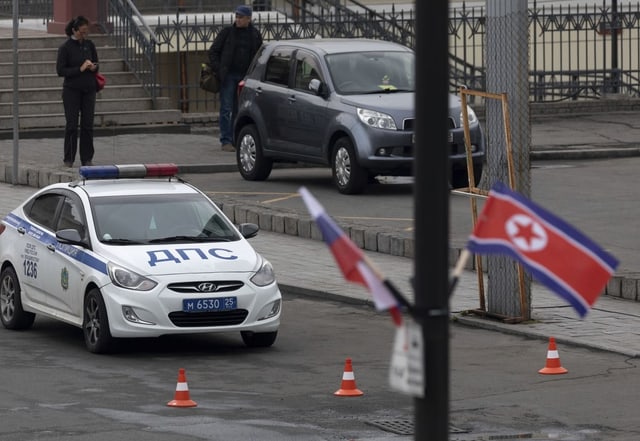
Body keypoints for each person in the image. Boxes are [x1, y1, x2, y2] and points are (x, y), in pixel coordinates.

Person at [208, 5, 263, 152]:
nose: (238, 20)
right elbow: (213, 51)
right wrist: (220, 70)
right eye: (236, 17)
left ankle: (235, 139)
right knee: (226, 108)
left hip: (245, 77)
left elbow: (259, 56)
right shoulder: (227, 33)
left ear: (248, 19)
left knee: (240, 109)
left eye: (241, 17)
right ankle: (226, 141)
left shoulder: (255, 35)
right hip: (229, 76)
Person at [56, 16, 99, 167]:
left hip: (89, 89)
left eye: (86, 32)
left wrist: (93, 67)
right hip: (71, 90)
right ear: (74, 30)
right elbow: (60, 70)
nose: (84, 35)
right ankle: (69, 158)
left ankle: (87, 158)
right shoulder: (66, 47)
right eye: (82, 32)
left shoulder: (89, 45)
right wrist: (79, 69)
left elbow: (96, 62)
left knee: (88, 124)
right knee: (72, 125)